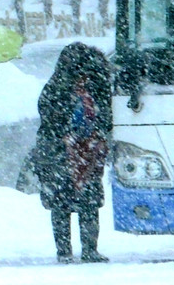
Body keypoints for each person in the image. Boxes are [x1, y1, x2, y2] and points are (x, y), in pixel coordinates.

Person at [28, 42, 112, 264]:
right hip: (62, 153)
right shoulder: (57, 88)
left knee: (87, 202)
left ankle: (87, 249)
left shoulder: (92, 88)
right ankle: (65, 250)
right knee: (63, 203)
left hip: (85, 153)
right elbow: (50, 118)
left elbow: (106, 118)